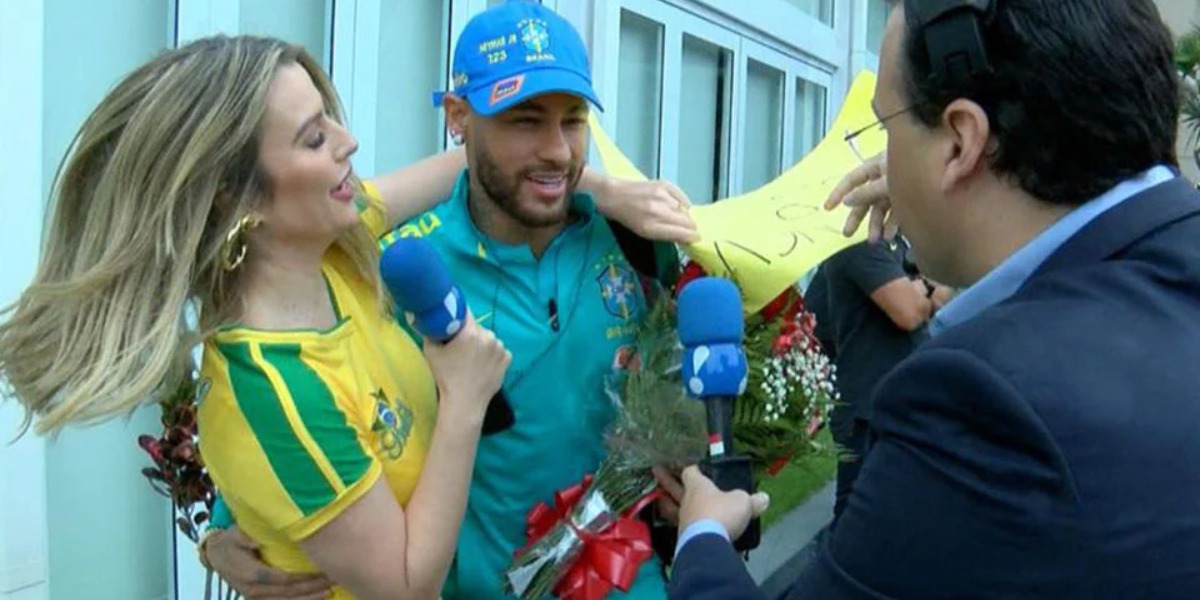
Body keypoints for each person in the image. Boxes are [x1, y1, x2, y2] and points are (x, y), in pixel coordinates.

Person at [0, 34, 688, 600]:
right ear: (233, 194)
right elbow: (400, 581)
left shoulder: (343, 253)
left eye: (571, 120)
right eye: (311, 137)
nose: (350, 143)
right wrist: (464, 399)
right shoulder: (295, 360)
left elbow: (464, 165)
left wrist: (597, 185)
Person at [670, 0, 1200, 598]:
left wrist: (704, 538)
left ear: (960, 142)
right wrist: (949, 190)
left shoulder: (983, 402)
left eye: (886, 128)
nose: (884, 162)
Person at [202, 3, 697, 598]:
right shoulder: (391, 266)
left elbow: (707, 391)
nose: (559, 151)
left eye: (573, 121)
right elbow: (313, 410)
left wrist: (691, 480)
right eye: (524, 120)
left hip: (628, 582)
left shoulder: (640, 242)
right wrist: (230, 526)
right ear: (459, 119)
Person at [804, 238, 950, 519]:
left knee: (897, 509)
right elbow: (909, 313)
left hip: (901, 400)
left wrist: (919, 288)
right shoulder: (859, 245)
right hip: (866, 407)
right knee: (856, 512)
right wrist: (919, 287)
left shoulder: (899, 246)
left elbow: (942, 297)